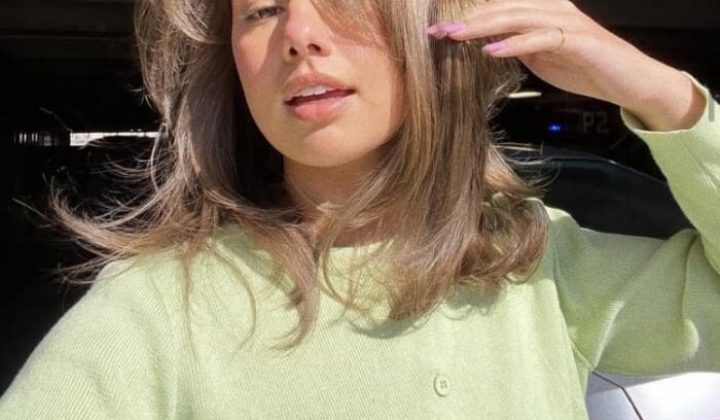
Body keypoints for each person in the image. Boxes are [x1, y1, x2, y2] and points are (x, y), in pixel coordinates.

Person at [1, 0, 718, 418]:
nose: (298, 34)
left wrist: (661, 93)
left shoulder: (542, 268)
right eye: (261, 10)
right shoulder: (160, 307)